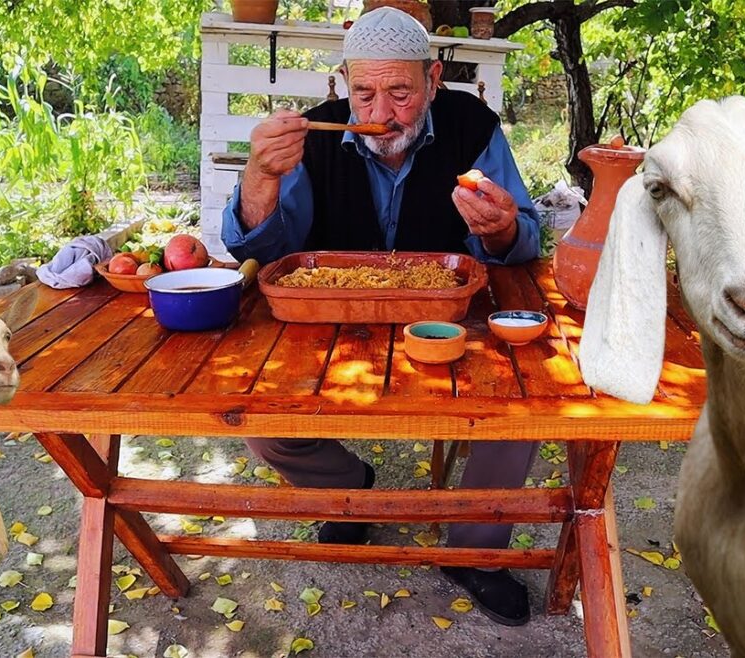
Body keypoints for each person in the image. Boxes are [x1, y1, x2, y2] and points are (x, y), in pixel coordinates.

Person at [221, 7, 541, 627]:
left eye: (400, 92)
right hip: (337, 315)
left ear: (433, 79)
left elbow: (521, 237)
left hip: (449, 317)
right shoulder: (314, 135)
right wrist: (258, 173)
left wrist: (501, 231)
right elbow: (261, 249)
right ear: (343, 83)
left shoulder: (472, 126)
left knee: (519, 408)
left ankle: (474, 550)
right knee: (262, 418)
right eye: (363, 93)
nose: (379, 114)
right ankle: (349, 489)